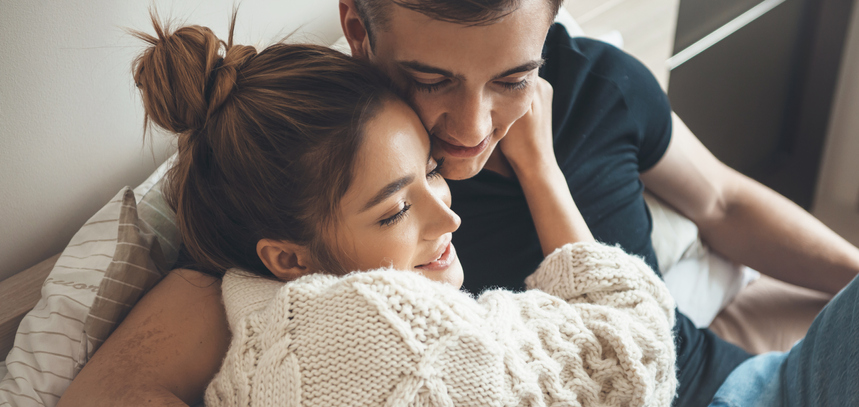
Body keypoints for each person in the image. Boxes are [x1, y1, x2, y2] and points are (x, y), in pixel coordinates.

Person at [59, 1, 859, 406]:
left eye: (512, 77)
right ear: (357, 27)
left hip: (745, 382)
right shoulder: (299, 189)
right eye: (433, 79)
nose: (473, 129)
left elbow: (718, 202)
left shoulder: (596, 86)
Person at [116, 21, 678, 406]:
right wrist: (540, 169)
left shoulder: (260, 308)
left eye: (432, 170)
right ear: (289, 257)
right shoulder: (389, 337)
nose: (449, 220)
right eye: (395, 210)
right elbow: (636, 351)